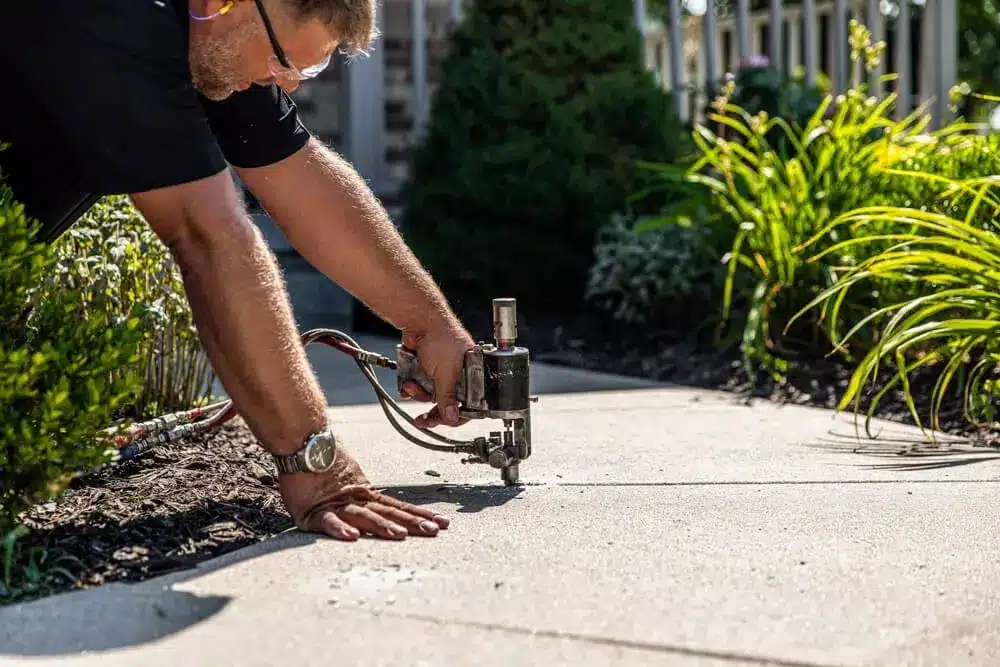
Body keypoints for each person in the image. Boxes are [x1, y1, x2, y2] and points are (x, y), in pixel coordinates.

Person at [0, 0, 474, 542]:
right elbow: (207, 235)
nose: (287, 85)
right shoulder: (114, 16)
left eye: (304, 70)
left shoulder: (211, 37)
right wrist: (316, 465)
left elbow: (296, 175)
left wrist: (432, 326)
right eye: (280, 61)